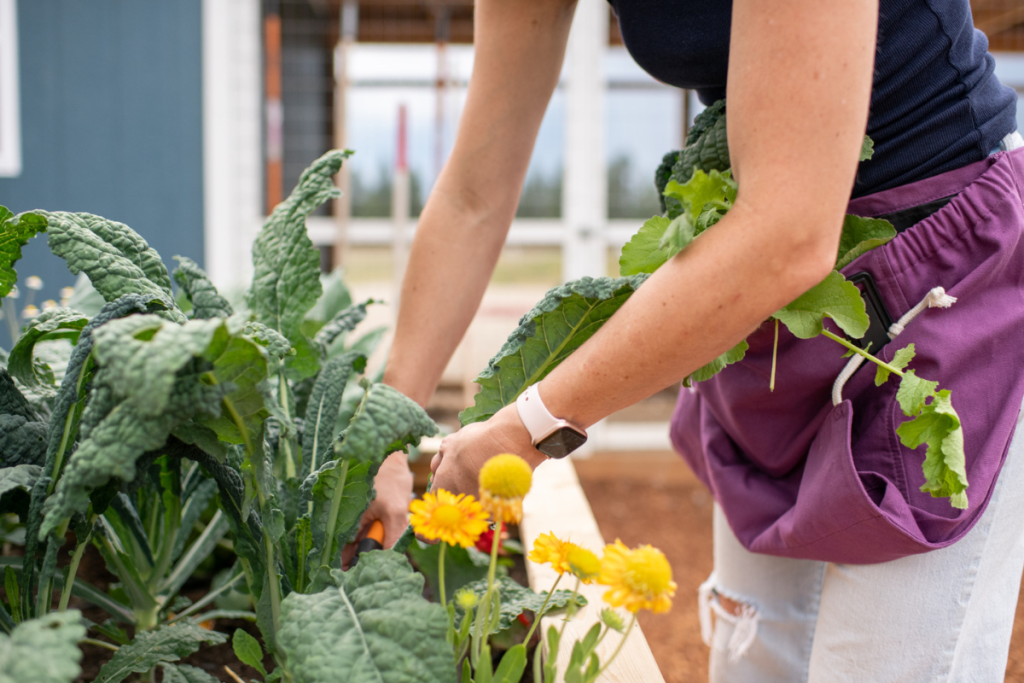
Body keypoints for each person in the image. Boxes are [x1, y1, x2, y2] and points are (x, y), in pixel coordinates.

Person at [358, 0, 1024, 679]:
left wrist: (528, 426)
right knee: (756, 657)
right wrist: (379, 436)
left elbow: (788, 233)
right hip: (775, 305)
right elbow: (474, 194)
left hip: (941, 275)